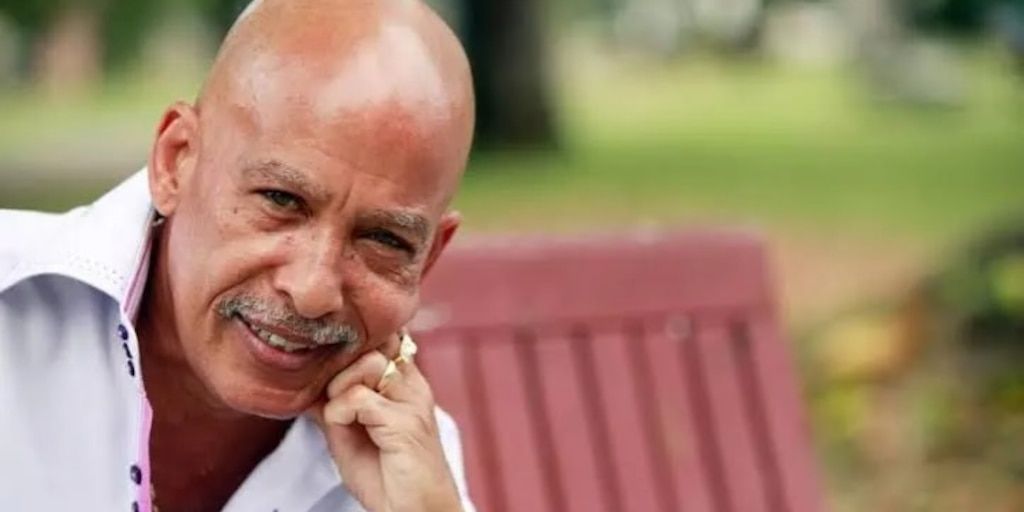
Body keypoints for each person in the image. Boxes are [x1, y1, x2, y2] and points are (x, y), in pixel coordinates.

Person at [0, 0, 476, 510]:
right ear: (175, 161)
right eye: (281, 200)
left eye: (384, 239)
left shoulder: (404, 464)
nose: (313, 291)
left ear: (426, 259)